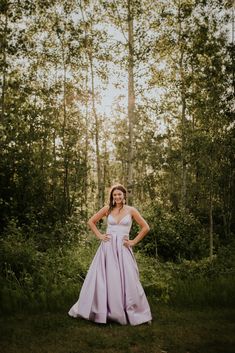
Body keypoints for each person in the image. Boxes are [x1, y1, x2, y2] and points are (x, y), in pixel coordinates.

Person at [68, 184, 152, 326]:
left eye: (119, 194)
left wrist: (133, 242)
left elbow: (146, 227)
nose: (117, 197)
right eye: (114, 195)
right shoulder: (108, 209)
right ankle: (103, 311)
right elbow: (91, 221)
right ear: (112, 197)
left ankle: (135, 312)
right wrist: (100, 235)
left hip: (123, 248)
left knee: (129, 279)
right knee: (105, 279)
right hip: (107, 248)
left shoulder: (131, 210)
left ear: (124, 195)